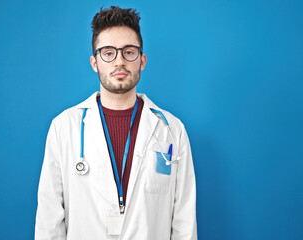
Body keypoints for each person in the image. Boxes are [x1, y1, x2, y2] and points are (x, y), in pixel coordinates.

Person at [35, 6, 197, 240]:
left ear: (142, 60)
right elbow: (49, 220)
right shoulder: (64, 127)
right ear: (94, 62)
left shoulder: (171, 129)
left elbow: (184, 220)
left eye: (129, 52)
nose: (119, 61)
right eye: (108, 52)